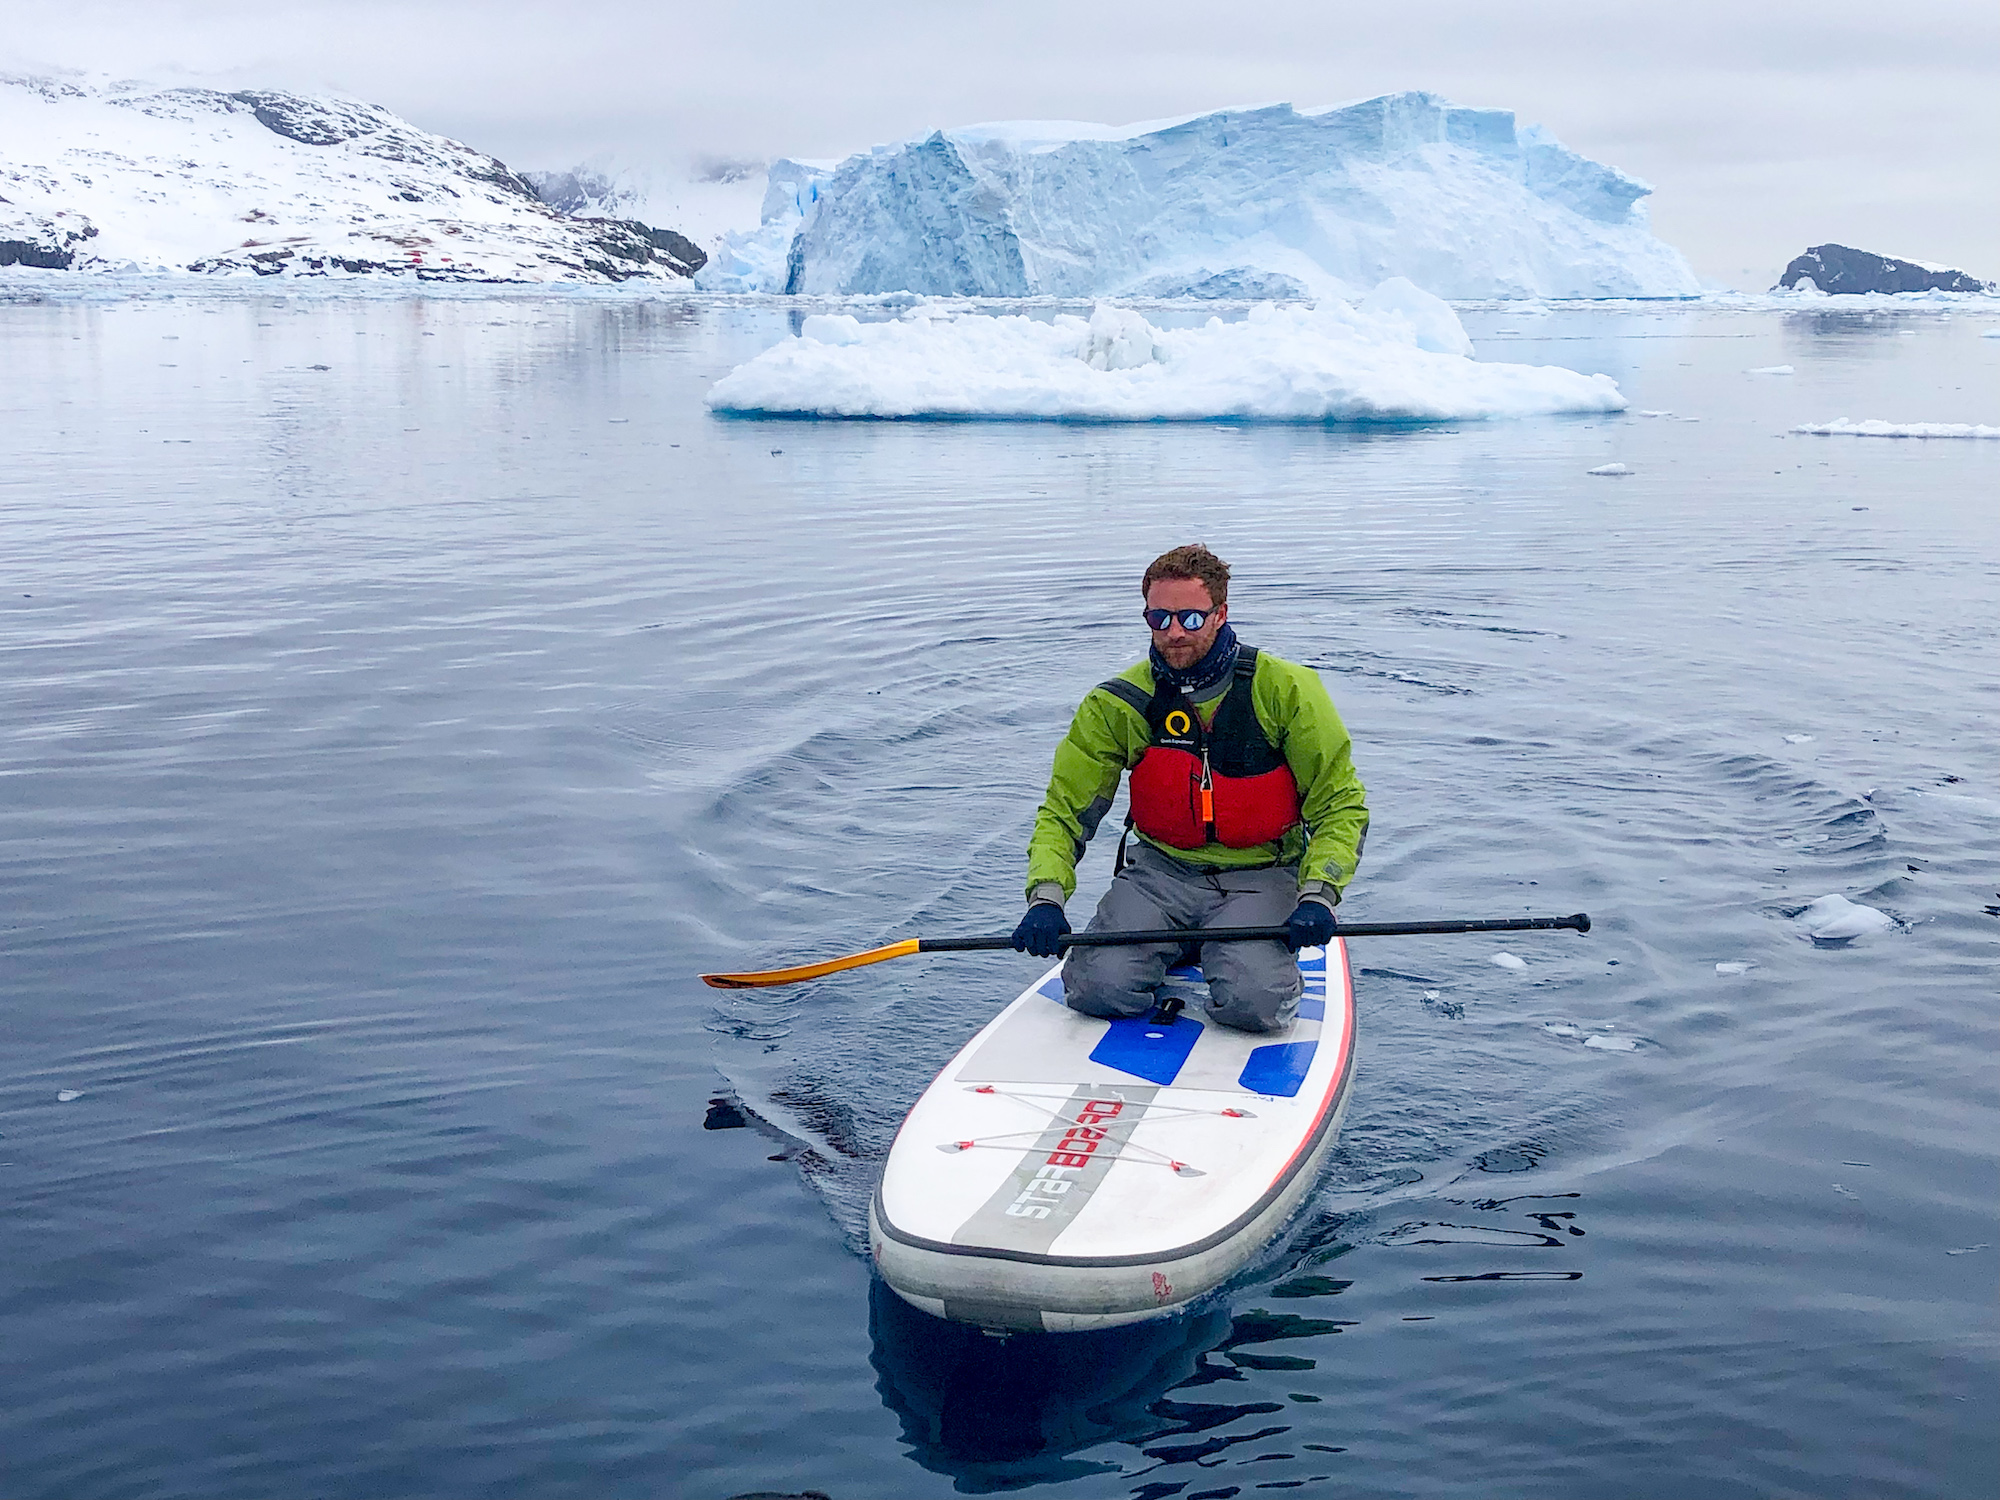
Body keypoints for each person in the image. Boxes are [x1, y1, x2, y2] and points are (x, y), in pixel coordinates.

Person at [1010, 544, 1369, 1033]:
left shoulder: (1287, 691)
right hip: (1159, 875)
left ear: (1220, 614)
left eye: (1191, 618)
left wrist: (1318, 894)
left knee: (1255, 1007)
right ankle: (1186, 943)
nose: (1174, 633)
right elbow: (1064, 811)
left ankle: (1237, 953)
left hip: (1260, 875)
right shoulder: (1119, 704)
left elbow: (1339, 806)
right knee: (1097, 989)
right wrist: (1046, 899)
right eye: (1160, 618)